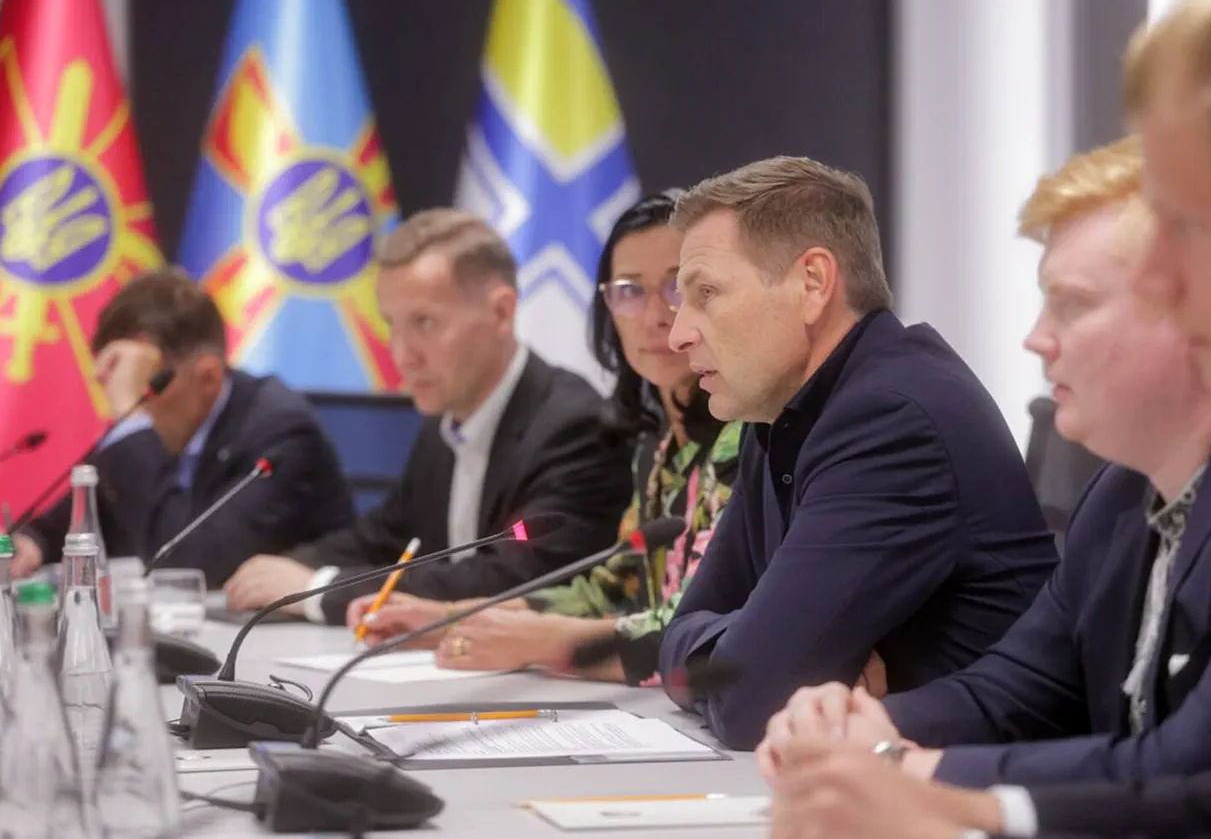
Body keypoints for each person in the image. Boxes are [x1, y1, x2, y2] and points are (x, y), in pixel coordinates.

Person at [764, 0, 1211, 828]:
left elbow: (1207, 769)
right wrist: (868, 731)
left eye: (1192, 226)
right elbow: (1016, 693)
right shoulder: (1119, 496)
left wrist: (913, 773)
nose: (1036, 340)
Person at [655, 156, 1059, 750]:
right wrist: (753, 650)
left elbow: (747, 701)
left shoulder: (892, 419)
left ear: (813, 283)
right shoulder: (781, 410)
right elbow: (681, 645)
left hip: (973, 783)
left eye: (707, 293)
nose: (678, 335)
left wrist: (755, 658)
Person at [346, 192, 745, 685]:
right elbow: (608, 591)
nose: (655, 315)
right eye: (629, 291)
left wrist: (546, 642)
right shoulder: (658, 445)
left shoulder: (748, 440)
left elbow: (702, 630)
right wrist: (449, 618)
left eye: (677, 287)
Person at [223, 209, 632, 624]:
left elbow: (512, 579)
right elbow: (384, 538)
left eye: (424, 323)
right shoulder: (443, 425)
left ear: (502, 312)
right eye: (392, 325)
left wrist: (317, 589)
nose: (402, 355)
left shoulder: (576, 427)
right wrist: (280, 572)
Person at [12, 269, 353, 588]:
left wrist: (133, 422)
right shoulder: (169, 428)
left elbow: (185, 566)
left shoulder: (282, 436)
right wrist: (35, 542)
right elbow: (86, 513)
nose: (133, 401)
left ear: (208, 377)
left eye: (144, 381)